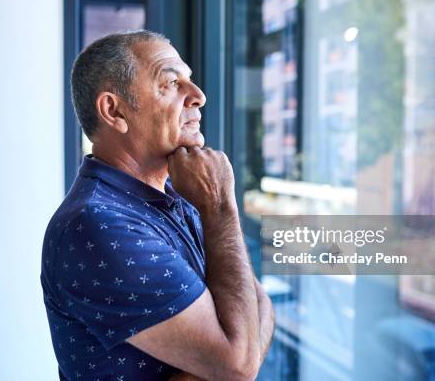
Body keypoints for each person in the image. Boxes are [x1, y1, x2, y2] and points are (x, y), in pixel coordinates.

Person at [40, 30, 275, 381]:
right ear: (114, 111)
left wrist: (241, 351)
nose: (198, 96)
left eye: (190, 81)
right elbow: (239, 364)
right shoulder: (96, 224)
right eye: (170, 83)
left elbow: (256, 311)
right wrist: (222, 208)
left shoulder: (182, 192)